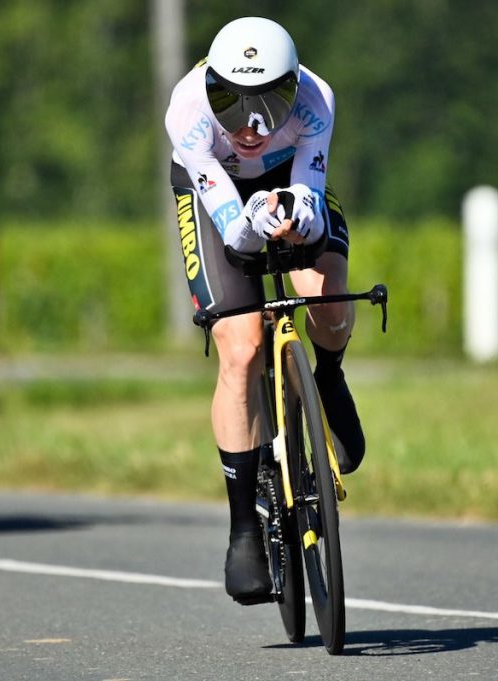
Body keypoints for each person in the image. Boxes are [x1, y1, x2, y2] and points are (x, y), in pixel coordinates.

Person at [164, 16, 364, 603]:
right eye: (230, 101)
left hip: (286, 177)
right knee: (242, 346)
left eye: (269, 104)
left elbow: (310, 192)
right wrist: (250, 222)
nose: (249, 126)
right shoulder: (187, 112)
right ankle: (243, 528)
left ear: (293, 87)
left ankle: (328, 375)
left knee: (327, 302)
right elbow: (233, 233)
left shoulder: (316, 99)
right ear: (210, 90)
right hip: (213, 191)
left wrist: (299, 214)